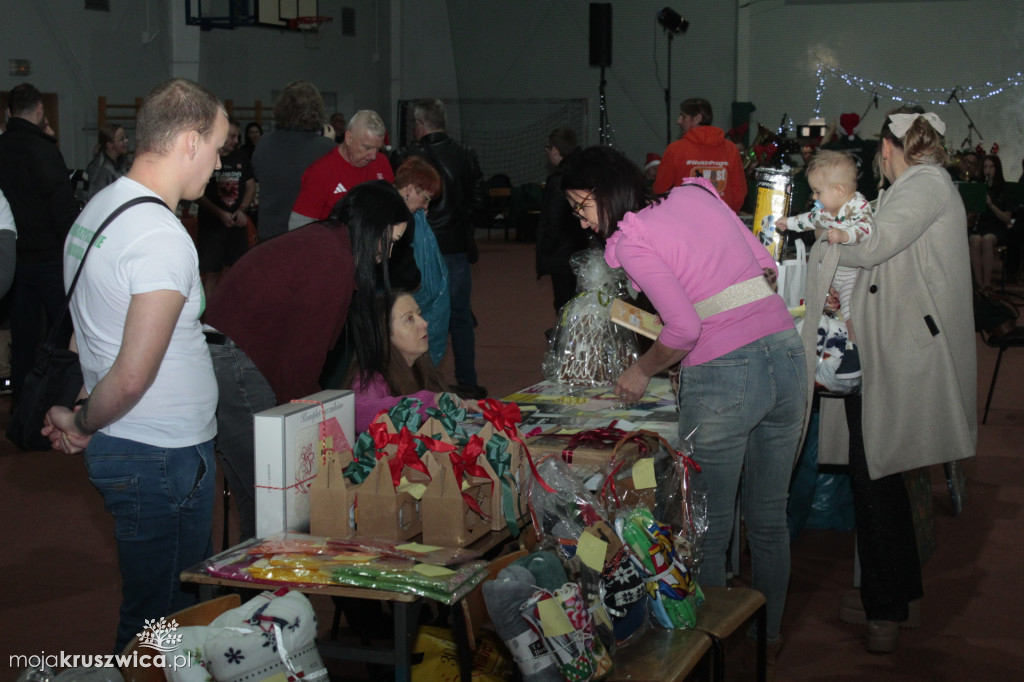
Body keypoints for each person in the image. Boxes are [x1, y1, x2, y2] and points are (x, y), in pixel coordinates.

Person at [562, 146, 806, 671]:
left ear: (605, 192)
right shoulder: (696, 194)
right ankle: (766, 639)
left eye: (581, 207)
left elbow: (685, 329)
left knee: (708, 528)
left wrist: (642, 369)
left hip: (726, 375)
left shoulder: (632, 239)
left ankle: (717, 652)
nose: (582, 222)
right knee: (768, 519)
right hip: (787, 356)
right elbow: (765, 267)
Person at [41, 78, 227, 653]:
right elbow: (129, 377)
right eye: (217, 147)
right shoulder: (160, 236)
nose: (221, 163)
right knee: (161, 624)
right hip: (159, 455)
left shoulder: (101, 207)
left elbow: (91, 332)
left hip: (134, 446)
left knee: (161, 613)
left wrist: (84, 412)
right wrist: (81, 423)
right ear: (190, 141)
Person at [812, 109, 976, 653]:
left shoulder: (923, 184)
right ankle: (897, 594)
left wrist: (824, 225)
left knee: (875, 477)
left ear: (886, 147)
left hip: (900, 352)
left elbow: (873, 244)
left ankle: (886, 607)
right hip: (887, 347)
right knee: (879, 476)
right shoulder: (920, 185)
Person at [204, 181, 411, 542]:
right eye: (390, 241)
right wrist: (327, 437)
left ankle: (260, 568)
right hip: (235, 360)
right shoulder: (334, 261)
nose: (389, 253)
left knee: (259, 498)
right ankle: (273, 570)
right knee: (278, 501)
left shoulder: (328, 242)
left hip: (225, 355)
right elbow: (298, 372)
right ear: (371, 227)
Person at [401, 98, 487, 399]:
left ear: (419, 125)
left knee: (417, 314)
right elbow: (481, 200)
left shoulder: (410, 157)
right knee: (460, 317)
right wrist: (461, 221)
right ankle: (467, 381)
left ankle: (420, 382)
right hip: (455, 249)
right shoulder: (466, 154)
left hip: (419, 249)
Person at [0, 82, 79, 402]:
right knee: (60, 333)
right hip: (50, 258)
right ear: (40, 110)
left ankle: (22, 402)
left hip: (14, 259)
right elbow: (63, 209)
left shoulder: (2, 148)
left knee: (23, 335)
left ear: (9, 113)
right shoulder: (45, 150)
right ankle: (53, 401)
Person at [776, 150, 873, 378]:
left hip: (851, 276)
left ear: (839, 190)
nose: (814, 196)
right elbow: (809, 220)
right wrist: (789, 223)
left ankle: (855, 351)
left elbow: (866, 228)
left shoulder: (858, 206)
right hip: (830, 272)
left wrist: (844, 235)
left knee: (850, 311)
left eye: (818, 191)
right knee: (815, 304)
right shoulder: (826, 210)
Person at [346, 290, 478, 432]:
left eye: (419, 314)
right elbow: (358, 414)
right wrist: (429, 402)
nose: (424, 323)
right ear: (383, 334)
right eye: (409, 319)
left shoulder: (420, 370)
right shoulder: (369, 380)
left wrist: (461, 405)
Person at [251, 81, 336, 241]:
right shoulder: (327, 149)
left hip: (270, 236)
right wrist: (329, 143)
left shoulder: (263, 143)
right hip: (307, 238)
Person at [289, 110, 394, 229]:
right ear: (349, 138)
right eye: (367, 148)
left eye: (378, 149)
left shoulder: (382, 163)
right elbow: (298, 225)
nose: (373, 156)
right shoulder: (321, 172)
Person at [394, 155, 449, 365]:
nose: (426, 205)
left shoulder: (413, 217)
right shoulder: (398, 217)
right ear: (410, 188)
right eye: (425, 198)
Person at [195, 117, 256, 298]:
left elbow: (251, 186)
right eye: (231, 136)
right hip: (211, 225)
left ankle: (231, 309)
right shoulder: (205, 157)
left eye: (237, 137)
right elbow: (197, 194)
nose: (235, 141)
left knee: (236, 271)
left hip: (236, 225)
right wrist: (219, 213)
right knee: (211, 273)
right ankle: (209, 313)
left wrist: (242, 209)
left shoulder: (241, 157)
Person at [653, 97, 747, 212]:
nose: (679, 121)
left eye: (683, 116)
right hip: (720, 218)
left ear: (697, 118)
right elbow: (738, 194)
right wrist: (726, 214)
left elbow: (660, 189)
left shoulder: (675, 149)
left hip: (684, 217)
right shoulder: (731, 149)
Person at [536, 126, 591, 317]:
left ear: (555, 150)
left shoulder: (558, 180)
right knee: (579, 301)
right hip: (583, 247)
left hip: (562, 253)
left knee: (564, 304)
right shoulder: (584, 172)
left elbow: (552, 220)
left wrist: (545, 253)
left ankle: (565, 336)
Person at [968, 154, 1014, 290]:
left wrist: (990, 204)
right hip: (981, 226)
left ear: (997, 168)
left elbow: (1008, 219)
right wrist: (973, 210)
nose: (987, 170)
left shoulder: (1005, 189)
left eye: (991, 167)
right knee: (975, 240)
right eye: (985, 167)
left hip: (997, 228)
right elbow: (971, 215)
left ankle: (987, 284)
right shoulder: (980, 188)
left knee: (987, 240)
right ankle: (979, 284)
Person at [821, 113, 879, 201]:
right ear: (858, 128)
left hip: (841, 198)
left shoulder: (833, 148)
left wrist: (831, 131)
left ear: (840, 129)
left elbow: (821, 149)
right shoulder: (868, 146)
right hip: (867, 199)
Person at [85, 123, 130, 199]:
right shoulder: (101, 170)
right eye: (121, 139)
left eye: (126, 137)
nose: (126, 141)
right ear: (109, 144)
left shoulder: (120, 162)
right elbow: (97, 198)